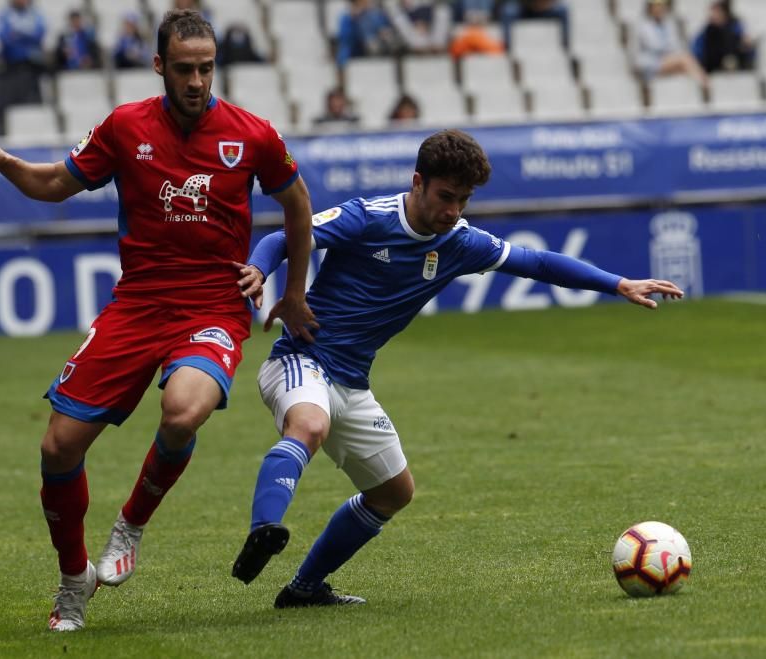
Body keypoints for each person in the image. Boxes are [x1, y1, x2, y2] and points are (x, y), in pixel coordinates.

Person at [0, 9, 316, 632]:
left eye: (205, 68)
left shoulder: (252, 135)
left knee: (184, 409)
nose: (197, 81)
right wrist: (5, 162)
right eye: (184, 69)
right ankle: (73, 581)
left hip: (212, 306)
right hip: (139, 303)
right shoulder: (124, 127)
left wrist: (294, 291)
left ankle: (132, 522)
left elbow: (298, 204)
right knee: (58, 447)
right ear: (159, 66)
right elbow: (55, 184)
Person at [229, 129, 684, 607]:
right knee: (310, 424)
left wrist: (617, 284)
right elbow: (285, 235)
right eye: (446, 197)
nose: (453, 211)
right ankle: (264, 529)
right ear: (418, 182)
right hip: (301, 359)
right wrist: (259, 269)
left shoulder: (460, 242)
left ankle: (304, 589)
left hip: (352, 382)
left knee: (392, 494)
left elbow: (537, 263)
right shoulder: (368, 217)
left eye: (463, 200)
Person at [634, 0, 708, 88]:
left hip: (668, 60)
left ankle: (700, 88)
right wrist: (670, 52)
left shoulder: (668, 24)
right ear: (650, 8)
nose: (659, 9)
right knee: (685, 59)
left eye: (661, 7)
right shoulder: (642, 25)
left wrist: (671, 52)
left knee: (685, 68)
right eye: (656, 7)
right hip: (651, 64)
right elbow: (654, 46)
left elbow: (675, 45)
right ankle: (705, 85)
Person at [0, 0, 47, 123]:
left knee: (32, 99)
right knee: (13, 99)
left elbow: (39, 34)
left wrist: (18, 34)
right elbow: (5, 37)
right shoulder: (5, 15)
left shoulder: (35, 14)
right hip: (12, 65)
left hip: (33, 65)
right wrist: (27, 36)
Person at [692, 0, 755, 74]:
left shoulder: (735, 27)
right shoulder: (708, 30)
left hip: (733, 60)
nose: (713, 15)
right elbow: (697, 50)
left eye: (717, 12)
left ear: (724, 13)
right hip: (712, 63)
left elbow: (747, 47)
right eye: (713, 12)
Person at [336, 0, 403, 68]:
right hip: (358, 49)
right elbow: (346, 39)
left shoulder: (375, 13)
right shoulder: (347, 17)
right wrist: (352, 19)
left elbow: (386, 24)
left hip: (380, 44)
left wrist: (384, 32)